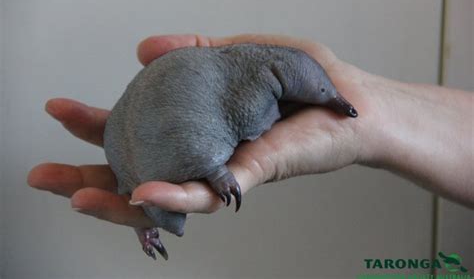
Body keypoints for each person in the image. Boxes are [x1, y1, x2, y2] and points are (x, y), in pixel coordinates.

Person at [28, 34, 474, 230]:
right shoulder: (253, 88)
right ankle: (175, 180)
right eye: (323, 92)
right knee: (192, 151)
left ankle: (148, 190)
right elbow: (251, 116)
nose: (334, 101)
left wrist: (361, 110)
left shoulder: (243, 67)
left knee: (153, 177)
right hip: (178, 137)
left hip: (158, 133)